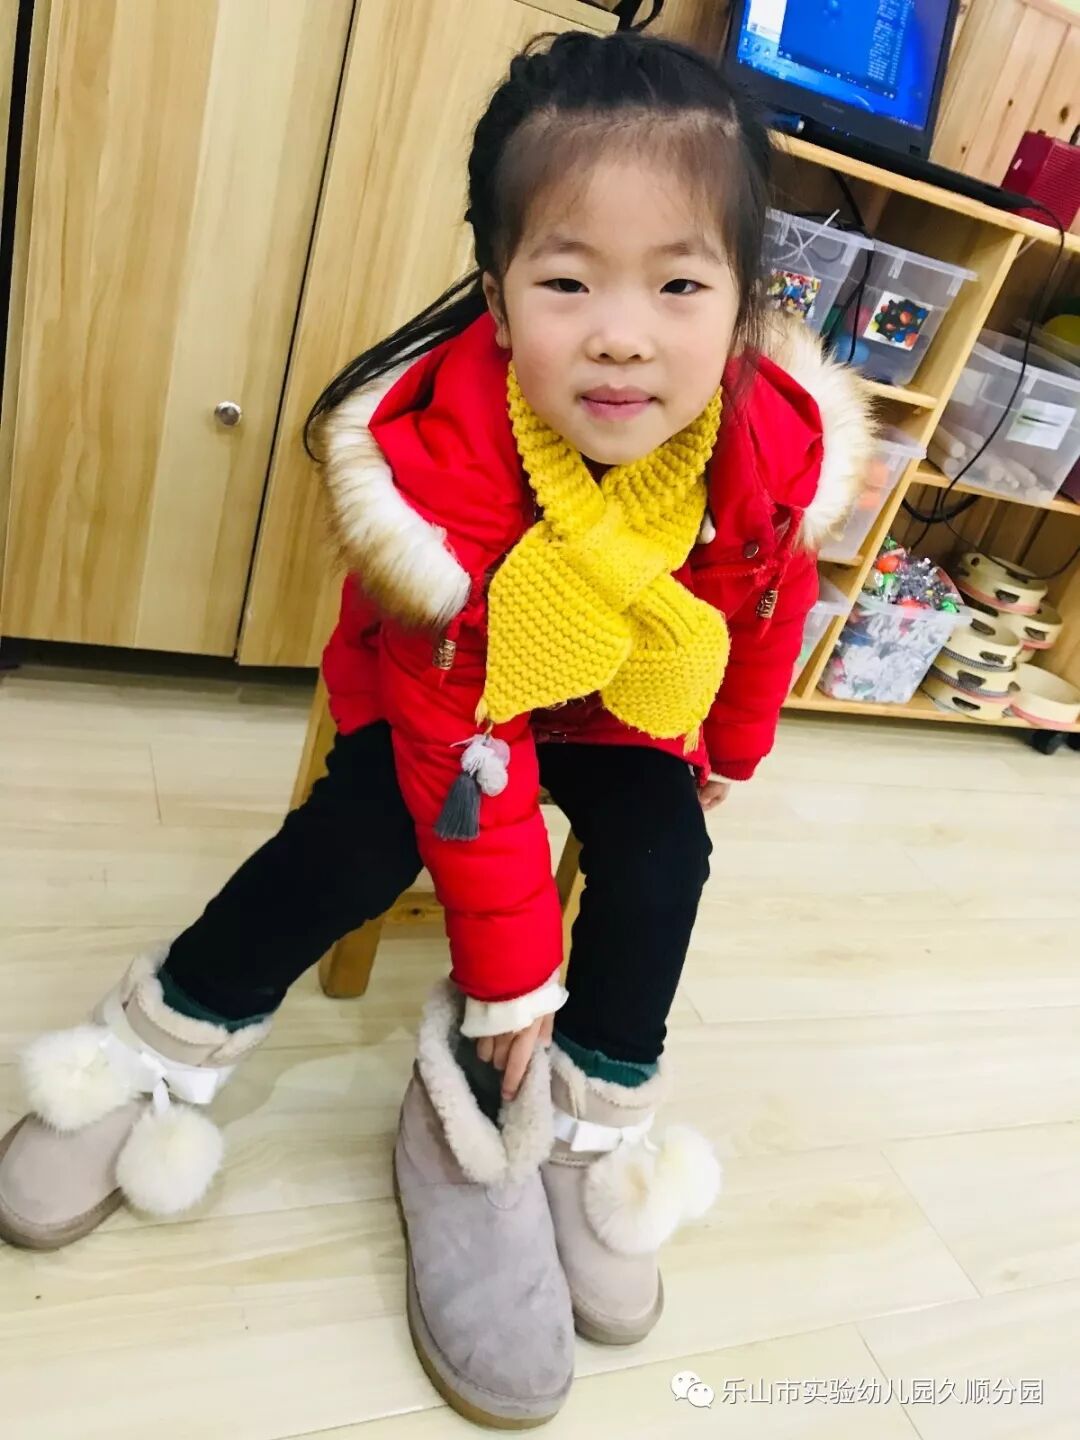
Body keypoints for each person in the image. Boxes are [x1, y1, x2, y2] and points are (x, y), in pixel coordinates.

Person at [0, 29, 873, 1430]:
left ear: (743, 303)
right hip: (445, 699)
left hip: (622, 700)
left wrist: (731, 749)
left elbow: (769, 602)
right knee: (358, 838)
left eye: (679, 283)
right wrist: (510, 983)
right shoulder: (445, 471)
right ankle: (163, 1038)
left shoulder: (769, 442)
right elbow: (463, 756)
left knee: (664, 857)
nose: (624, 333)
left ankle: (591, 1116)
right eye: (568, 281)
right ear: (499, 295)